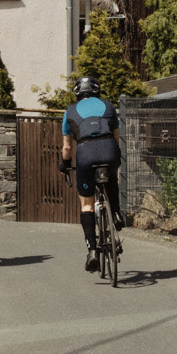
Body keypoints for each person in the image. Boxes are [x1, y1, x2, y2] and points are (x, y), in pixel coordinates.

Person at [61, 72, 123, 271]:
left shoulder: (69, 111)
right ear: (97, 90)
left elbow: (67, 148)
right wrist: (114, 157)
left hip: (85, 155)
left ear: (78, 93)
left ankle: (92, 250)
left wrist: (64, 164)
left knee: (86, 203)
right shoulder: (109, 106)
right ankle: (116, 215)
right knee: (111, 179)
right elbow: (116, 138)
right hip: (109, 150)